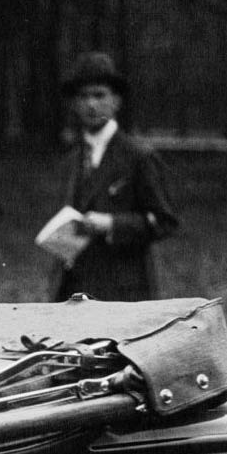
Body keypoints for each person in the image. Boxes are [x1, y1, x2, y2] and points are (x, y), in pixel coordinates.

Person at [51, 52, 179, 302]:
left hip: (123, 290)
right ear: (75, 104)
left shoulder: (137, 156)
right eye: (83, 96)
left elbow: (165, 221)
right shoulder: (71, 159)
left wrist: (111, 223)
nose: (91, 104)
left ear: (116, 101)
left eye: (99, 95)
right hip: (74, 289)